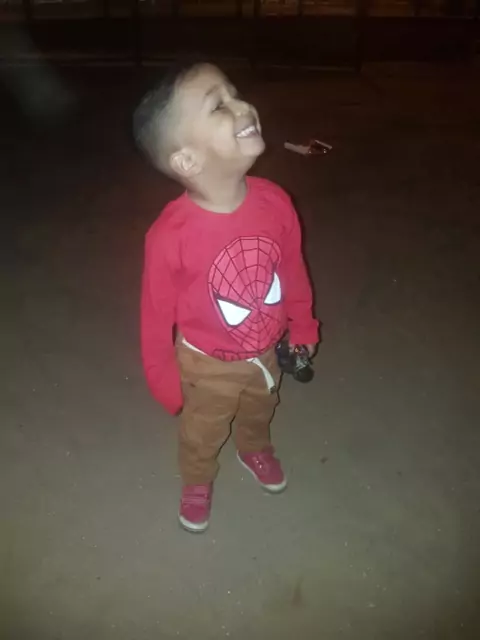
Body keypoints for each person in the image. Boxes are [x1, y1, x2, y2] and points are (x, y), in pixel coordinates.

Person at [134, 61, 318, 533]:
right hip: (206, 362)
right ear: (187, 161)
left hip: (268, 348)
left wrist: (303, 325)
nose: (243, 106)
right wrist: (163, 378)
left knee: (261, 407)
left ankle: (254, 448)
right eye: (219, 105)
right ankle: (197, 479)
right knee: (204, 428)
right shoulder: (169, 235)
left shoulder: (276, 202)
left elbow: (292, 269)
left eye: (235, 93)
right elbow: (155, 316)